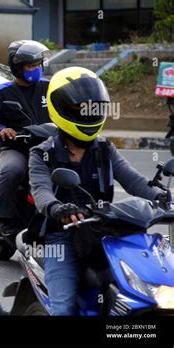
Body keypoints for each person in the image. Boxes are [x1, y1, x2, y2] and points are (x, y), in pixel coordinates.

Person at [28, 67, 165, 315]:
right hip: (63, 236)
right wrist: (58, 208)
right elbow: (41, 192)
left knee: (148, 291)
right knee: (63, 310)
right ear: (60, 108)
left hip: (105, 230)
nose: (89, 113)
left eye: (94, 107)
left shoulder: (104, 148)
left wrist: (162, 196)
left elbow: (133, 180)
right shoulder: (41, 153)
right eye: (80, 109)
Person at [0, 40, 50, 242]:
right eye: (30, 66)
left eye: (38, 65)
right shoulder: (1, 92)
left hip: (49, 146)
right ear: (17, 67)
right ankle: (4, 219)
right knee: (12, 171)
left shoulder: (50, 87)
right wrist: (1, 130)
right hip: (17, 148)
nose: (36, 69)